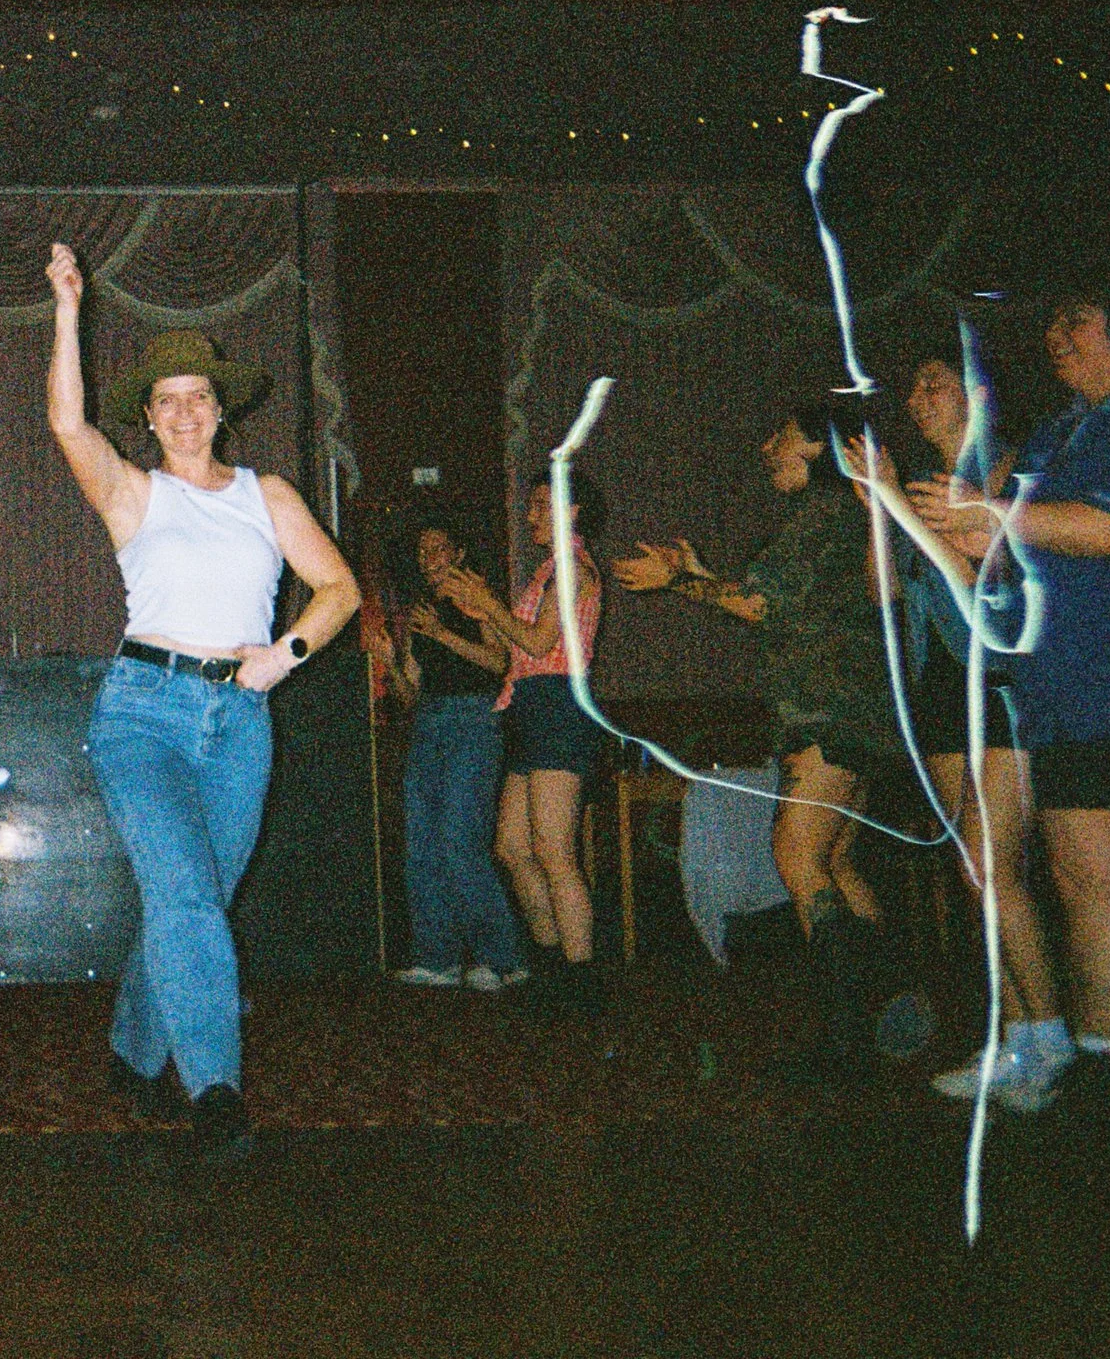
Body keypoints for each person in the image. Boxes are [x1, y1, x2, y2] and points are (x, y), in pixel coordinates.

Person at [45, 244, 358, 1156]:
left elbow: (337, 591)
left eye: (200, 396)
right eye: (167, 399)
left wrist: (286, 654)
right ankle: (215, 1085)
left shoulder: (270, 496)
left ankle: (134, 1046)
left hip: (240, 724)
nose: (186, 412)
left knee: (196, 902)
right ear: (147, 417)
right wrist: (69, 309)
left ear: (222, 409)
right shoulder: (133, 494)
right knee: (185, 898)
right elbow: (68, 424)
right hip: (142, 713)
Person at [914, 267, 1110, 1109]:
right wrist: (939, 517)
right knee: (1087, 883)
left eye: (1077, 320)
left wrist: (988, 517)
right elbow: (1001, 550)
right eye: (1053, 324)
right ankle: (1108, 1065)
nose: (1057, 336)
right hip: (1066, 700)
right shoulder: (1055, 436)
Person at [615, 398, 924, 1077]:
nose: (765, 447)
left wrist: (680, 581)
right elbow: (776, 610)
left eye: (779, 436)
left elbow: (756, 603)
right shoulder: (842, 515)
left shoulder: (823, 513)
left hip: (830, 713)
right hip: (862, 713)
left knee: (796, 855)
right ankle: (891, 997)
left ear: (819, 448)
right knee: (837, 861)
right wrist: (694, 574)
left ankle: (845, 1033)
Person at [848, 352, 1067, 1110]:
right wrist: (879, 507)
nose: (917, 395)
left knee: (992, 865)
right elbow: (885, 593)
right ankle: (1013, 1039)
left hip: (1003, 686)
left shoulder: (1013, 476)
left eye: (934, 382)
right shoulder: (916, 490)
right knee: (975, 877)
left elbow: (976, 582)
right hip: (942, 686)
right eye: (912, 385)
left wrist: (902, 506)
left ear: (979, 394)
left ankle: (1050, 1032)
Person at [440, 480, 607, 1018]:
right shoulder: (546, 570)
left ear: (572, 510)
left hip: (559, 703)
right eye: (531, 504)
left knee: (555, 849)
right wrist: (479, 609)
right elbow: (508, 649)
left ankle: (581, 983)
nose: (531, 513)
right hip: (530, 706)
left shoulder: (574, 568)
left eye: (542, 504)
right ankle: (554, 964)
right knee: (513, 847)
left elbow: (539, 644)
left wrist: (490, 605)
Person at [381, 513, 524, 994]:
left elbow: (498, 661)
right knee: (422, 842)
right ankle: (436, 958)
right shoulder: (421, 610)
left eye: (438, 548)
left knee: (461, 841)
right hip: (430, 723)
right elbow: (410, 692)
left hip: (473, 720)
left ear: (459, 554)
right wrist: (388, 661)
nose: (428, 559)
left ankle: (501, 959)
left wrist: (441, 634)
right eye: (422, 552)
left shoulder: (476, 597)